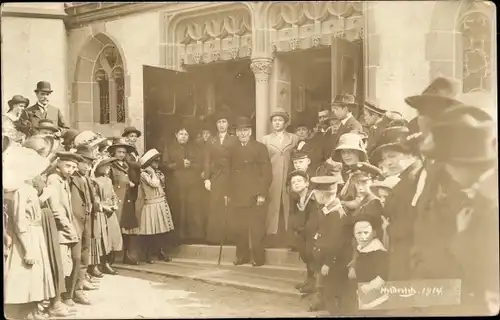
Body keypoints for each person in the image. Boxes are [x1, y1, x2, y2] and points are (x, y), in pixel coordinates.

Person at [412, 105, 499, 316]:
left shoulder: (490, 205)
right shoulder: (479, 196)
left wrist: (462, 235)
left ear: (461, 165)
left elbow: (486, 273)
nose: (449, 173)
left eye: (448, 165)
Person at [22, 135, 74, 317]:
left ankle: (53, 302)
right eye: (43, 153)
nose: (46, 157)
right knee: (41, 263)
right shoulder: (26, 174)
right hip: (36, 219)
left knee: (51, 260)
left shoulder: (37, 172)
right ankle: (45, 304)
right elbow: (25, 201)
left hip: (44, 218)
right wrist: (43, 197)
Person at [4, 149, 56, 319]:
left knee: (35, 275)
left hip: (36, 233)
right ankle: (24, 311)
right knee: (26, 273)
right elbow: (19, 221)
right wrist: (28, 248)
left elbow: (32, 210)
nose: (39, 175)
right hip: (27, 236)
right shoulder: (21, 191)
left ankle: (33, 309)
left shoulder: (30, 190)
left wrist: (43, 198)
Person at [370, 126, 422, 281]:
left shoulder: (413, 180)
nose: (388, 163)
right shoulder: (405, 179)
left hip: (409, 255)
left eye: (392, 156)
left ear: (411, 154)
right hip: (402, 251)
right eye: (385, 158)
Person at [47, 151, 89, 306]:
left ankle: (66, 296)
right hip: (60, 228)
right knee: (62, 264)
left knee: (73, 260)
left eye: (73, 167)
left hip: (69, 226)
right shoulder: (54, 180)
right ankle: (58, 299)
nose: (71, 169)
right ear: (58, 163)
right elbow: (55, 207)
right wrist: (67, 226)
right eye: (68, 166)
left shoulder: (65, 180)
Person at [229, 116, 272, 267]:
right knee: (239, 228)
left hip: (255, 195)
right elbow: (229, 172)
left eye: (245, 130)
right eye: (239, 131)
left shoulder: (260, 148)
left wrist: (262, 194)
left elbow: (266, 173)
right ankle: (242, 256)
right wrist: (228, 193)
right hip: (237, 195)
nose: (242, 134)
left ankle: (258, 257)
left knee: (256, 228)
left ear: (250, 131)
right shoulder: (233, 149)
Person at [308, 173, 351, 315]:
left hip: (333, 261)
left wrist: (328, 262)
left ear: (323, 195)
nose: (316, 197)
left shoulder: (336, 213)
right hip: (325, 257)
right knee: (327, 291)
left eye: (318, 194)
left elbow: (336, 241)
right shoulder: (328, 209)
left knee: (331, 294)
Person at [262, 108, 299, 248]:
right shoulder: (265, 139)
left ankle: (290, 237)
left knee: (289, 205)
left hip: (290, 177)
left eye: (280, 120)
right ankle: (272, 236)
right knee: (273, 205)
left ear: (285, 122)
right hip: (273, 177)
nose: (277, 123)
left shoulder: (294, 138)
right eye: (275, 120)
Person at [163, 123, 204, 244]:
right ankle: (177, 238)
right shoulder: (169, 148)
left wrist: (191, 164)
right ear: (176, 135)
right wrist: (179, 164)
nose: (183, 136)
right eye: (181, 134)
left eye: (186, 134)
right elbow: (164, 165)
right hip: (176, 185)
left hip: (191, 185)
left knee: (191, 210)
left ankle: (192, 236)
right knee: (178, 210)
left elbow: (200, 164)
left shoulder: (194, 148)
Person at [202, 110, 238, 245]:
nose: (221, 125)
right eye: (219, 122)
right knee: (215, 205)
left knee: (230, 205)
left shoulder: (234, 139)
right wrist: (206, 178)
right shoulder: (211, 140)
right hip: (216, 176)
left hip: (230, 176)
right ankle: (215, 237)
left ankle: (230, 237)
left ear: (228, 124)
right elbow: (206, 160)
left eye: (224, 122)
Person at [70, 146, 100, 295]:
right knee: (75, 257)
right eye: (85, 163)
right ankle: (72, 290)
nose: (87, 166)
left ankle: (79, 286)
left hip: (87, 220)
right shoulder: (72, 178)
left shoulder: (87, 178)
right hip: (75, 222)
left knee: (84, 255)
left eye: (90, 163)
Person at [136, 149, 175, 263]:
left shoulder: (158, 173)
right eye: (154, 162)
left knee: (162, 230)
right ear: (149, 163)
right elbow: (154, 184)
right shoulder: (144, 174)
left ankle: (160, 251)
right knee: (151, 230)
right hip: (151, 203)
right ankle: (147, 254)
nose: (157, 164)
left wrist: (155, 173)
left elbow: (162, 184)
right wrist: (152, 173)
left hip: (161, 202)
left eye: (157, 161)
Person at [347, 213, 389, 315]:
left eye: (366, 233)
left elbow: (383, 275)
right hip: (364, 299)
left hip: (377, 300)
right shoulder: (362, 249)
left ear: (374, 233)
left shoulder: (377, 251)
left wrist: (369, 287)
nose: (363, 237)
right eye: (359, 233)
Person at [108, 137, 139, 265]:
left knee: (127, 229)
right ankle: (110, 257)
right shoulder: (110, 166)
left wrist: (129, 183)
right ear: (114, 152)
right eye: (119, 152)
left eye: (123, 152)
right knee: (114, 228)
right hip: (116, 201)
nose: (121, 154)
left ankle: (126, 255)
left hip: (126, 199)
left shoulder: (126, 166)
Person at [287, 170, 316, 294]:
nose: (296, 184)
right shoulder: (297, 199)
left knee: (312, 256)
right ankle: (309, 280)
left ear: (307, 183)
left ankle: (314, 283)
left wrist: (303, 230)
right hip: (303, 234)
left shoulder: (313, 198)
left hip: (312, 234)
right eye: (293, 182)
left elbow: (313, 220)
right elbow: (295, 218)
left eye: (299, 181)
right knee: (306, 256)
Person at [93, 157, 123, 274]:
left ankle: (109, 262)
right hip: (101, 213)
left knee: (112, 236)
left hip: (111, 212)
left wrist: (115, 203)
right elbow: (94, 198)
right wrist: (104, 207)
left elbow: (113, 193)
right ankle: (102, 263)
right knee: (103, 238)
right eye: (106, 166)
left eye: (109, 166)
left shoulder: (108, 180)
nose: (108, 169)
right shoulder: (94, 181)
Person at [121, 127, 143, 261]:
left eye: (135, 136)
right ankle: (125, 254)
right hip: (127, 186)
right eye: (131, 136)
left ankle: (129, 252)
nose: (133, 138)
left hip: (134, 187)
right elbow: (129, 164)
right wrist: (139, 164)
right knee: (126, 218)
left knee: (131, 217)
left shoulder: (134, 151)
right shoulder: (126, 152)